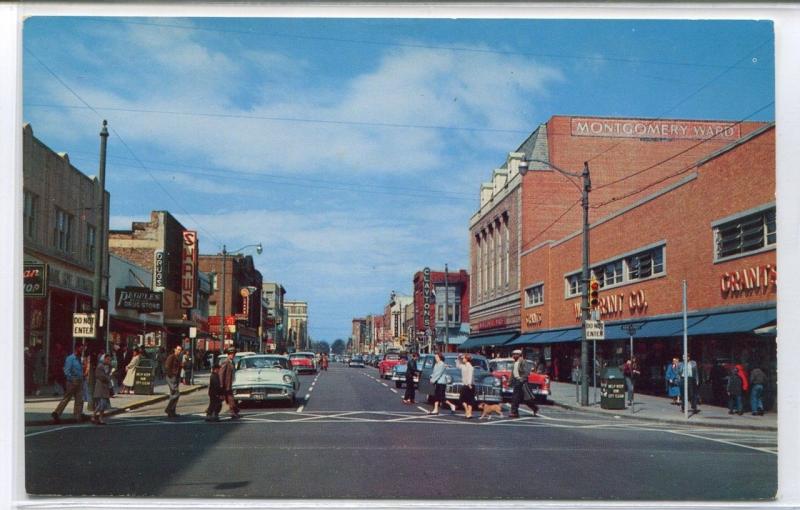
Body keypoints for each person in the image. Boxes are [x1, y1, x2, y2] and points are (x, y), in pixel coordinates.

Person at [51, 343, 86, 424]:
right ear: (76, 349)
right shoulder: (70, 358)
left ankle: (77, 416)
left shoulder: (79, 359)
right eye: (81, 349)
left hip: (80, 380)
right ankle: (57, 413)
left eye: (82, 349)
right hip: (72, 381)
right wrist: (71, 379)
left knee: (79, 399)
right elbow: (66, 370)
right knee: (67, 398)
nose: (82, 350)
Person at [510, 349, 539, 418]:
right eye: (513, 354)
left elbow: (526, 372)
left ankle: (534, 408)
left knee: (521, 398)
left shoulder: (524, 362)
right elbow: (513, 373)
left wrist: (521, 380)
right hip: (517, 382)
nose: (513, 356)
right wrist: (510, 381)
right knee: (518, 398)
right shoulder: (515, 363)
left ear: (519, 355)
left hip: (522, 382)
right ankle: (515, 412)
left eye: (515, 354)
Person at [219, 347, 241, 419]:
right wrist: (221, 385)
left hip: (230, 384)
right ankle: (234, 412)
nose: (232, 355)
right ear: (228, 355)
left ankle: (234, 412)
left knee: (229, 399)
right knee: (229, 399)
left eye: (233, 354)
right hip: (226, 384)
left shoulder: (232, 362)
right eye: (231, 354)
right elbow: (221, 374)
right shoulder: (226, 362)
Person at [92, 354, 112, 425]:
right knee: (101, 403)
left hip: (105, 386)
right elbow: (100, 376)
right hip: (100, 386)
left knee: (104, 404)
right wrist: (108, 378)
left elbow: (109, 374)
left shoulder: (109, 367)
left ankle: (99, 418)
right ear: (104, 359)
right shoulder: (100, 366)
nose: (109, 361)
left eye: (110, 359)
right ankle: (94, 416)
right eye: (108, 359)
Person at [163, 344, 183, 418]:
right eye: (178, 349)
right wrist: (171, 375)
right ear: (175, 349)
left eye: (180, 350)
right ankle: (168, 409)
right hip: (171, 377)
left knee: (173, 394)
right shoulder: (171, 357)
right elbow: (167, 366)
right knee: (176, 393)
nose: (179, 351)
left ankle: (172, 412)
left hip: (176, 377)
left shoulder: (178, 357)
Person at [457, 353, 476, 420]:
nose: (463, 359)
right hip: (465, 385)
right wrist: (459, 357)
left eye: (464, 358)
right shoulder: (463, 366)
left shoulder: (470, 366)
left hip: (469, 385)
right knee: (463, 399)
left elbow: (470, 376)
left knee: (469, 400)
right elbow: (458, 366)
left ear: (467, 359)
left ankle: (469, 413)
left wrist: (469, 384)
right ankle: (467, 411)